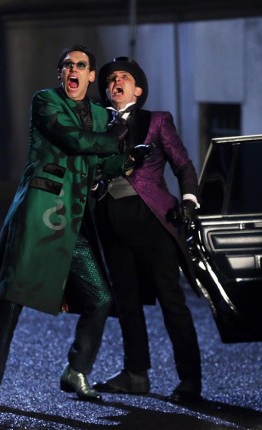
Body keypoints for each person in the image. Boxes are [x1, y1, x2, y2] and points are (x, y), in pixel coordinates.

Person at [0, 45, 129, 412]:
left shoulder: (99, 114)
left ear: (91, 76)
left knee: (101, 298)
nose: (74, 70)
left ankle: (76, 370)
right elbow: (72, 140)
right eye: (68, 65)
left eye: (81, 65)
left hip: (71, 222)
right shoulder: (45, 101)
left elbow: (98, 164)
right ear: (60, 73)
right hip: (38, 215)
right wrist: (113, 138)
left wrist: (129, 157)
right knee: (11, 302)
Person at [92, 57, 203, 403]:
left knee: (171, 300)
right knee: (126, 300)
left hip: (152, 220)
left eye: (124, 77)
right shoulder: (97, 125)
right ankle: (135, 373)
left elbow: (184, 166)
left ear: (137, 89)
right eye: (111, 79)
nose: (116, 82)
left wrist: (189, 201)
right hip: (112, 222)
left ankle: (190, 378)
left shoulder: (157, 121)